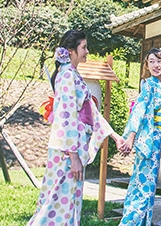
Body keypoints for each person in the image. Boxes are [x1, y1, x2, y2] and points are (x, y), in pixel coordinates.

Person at [28, 30, 125, 226]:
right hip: (67, 151)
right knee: (56, 203)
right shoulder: (66, 77)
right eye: (84, 47)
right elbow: (66, 117)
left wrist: (115, 136)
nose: (87, 51)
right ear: (71, 51)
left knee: (68, 201)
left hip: (74, 147)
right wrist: (73, 156)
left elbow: (93, 114)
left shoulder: (72, 74)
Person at [119, 47, 161, 226]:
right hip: (148, 142)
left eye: (159, 61)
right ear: (146, 65)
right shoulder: (148, 84)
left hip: (156, 142)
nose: (156, 65)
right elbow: (139, 110)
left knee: (148, 188)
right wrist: (131, 137)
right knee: (144, 188)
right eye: (152, 61)